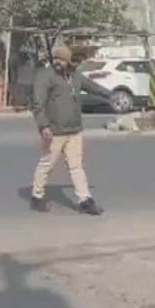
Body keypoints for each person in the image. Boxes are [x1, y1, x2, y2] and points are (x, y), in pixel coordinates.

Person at [29, 45, 110, 215]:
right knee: (47, 164)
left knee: (76, 166)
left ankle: (85, 201)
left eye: (63, 60)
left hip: (74, 130)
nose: (59, 63)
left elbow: (92, 87)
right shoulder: (46, 76)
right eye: (56, 59)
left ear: (69, 62)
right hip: (54, 131)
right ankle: (37, 197)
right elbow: (38, 103)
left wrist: (110, 95)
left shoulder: (74, 76)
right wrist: (43, 126)